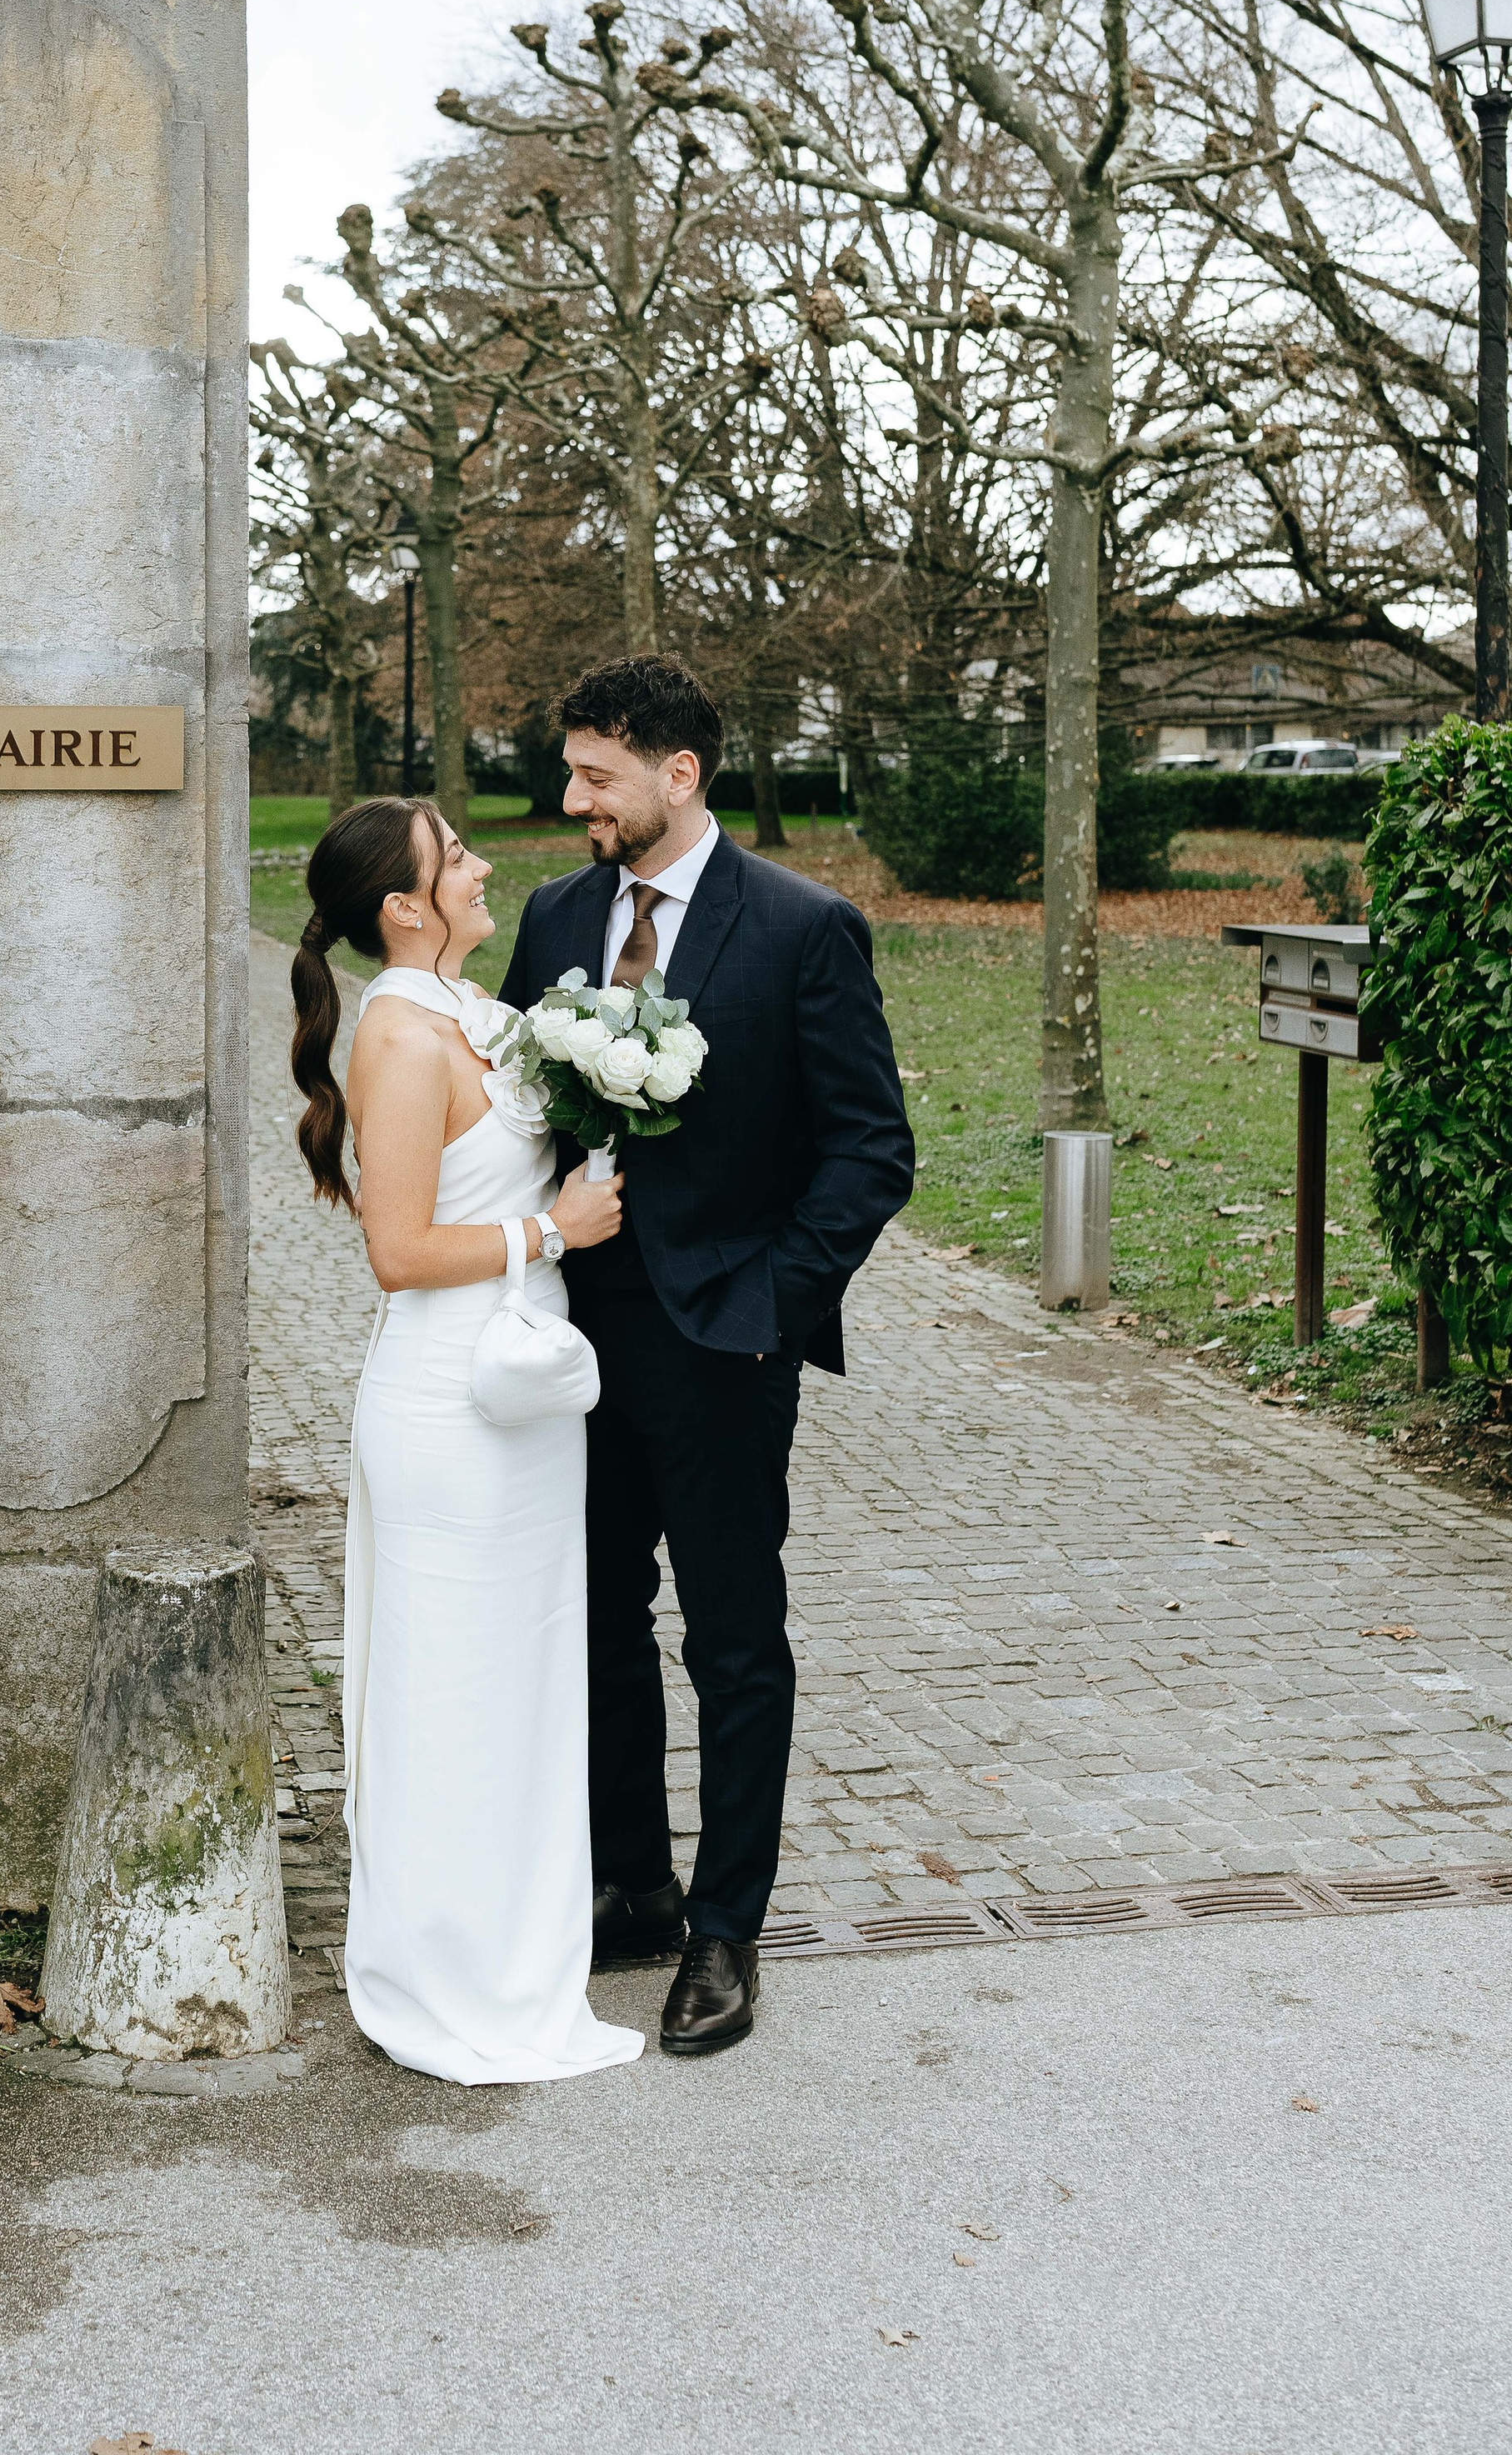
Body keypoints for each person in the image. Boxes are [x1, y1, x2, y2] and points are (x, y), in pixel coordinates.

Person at [499, 658, 914, 2057]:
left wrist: (771, 1308)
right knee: (599, 1618)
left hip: (725, 1345)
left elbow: (871, 1153)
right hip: (572, 1338)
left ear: (680, 775)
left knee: (732, 1642)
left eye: (597, 777)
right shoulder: (558, 916)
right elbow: (519, 1119)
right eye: (572, 774)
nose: (574, 802)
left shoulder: (803, 929)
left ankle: (728, 1932)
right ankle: (633, 1886)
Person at [290, 794, 644, 2085]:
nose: (484, 863)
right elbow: (397, 1253)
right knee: (450, 1696)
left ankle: (515, 1951)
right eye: (455, 858)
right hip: (447, 1409)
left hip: (527, 1407)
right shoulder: (397, 1036)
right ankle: (442, 1974)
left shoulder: (472, 1012)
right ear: (403, 905)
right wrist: (552, 1233)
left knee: (523, 1689)